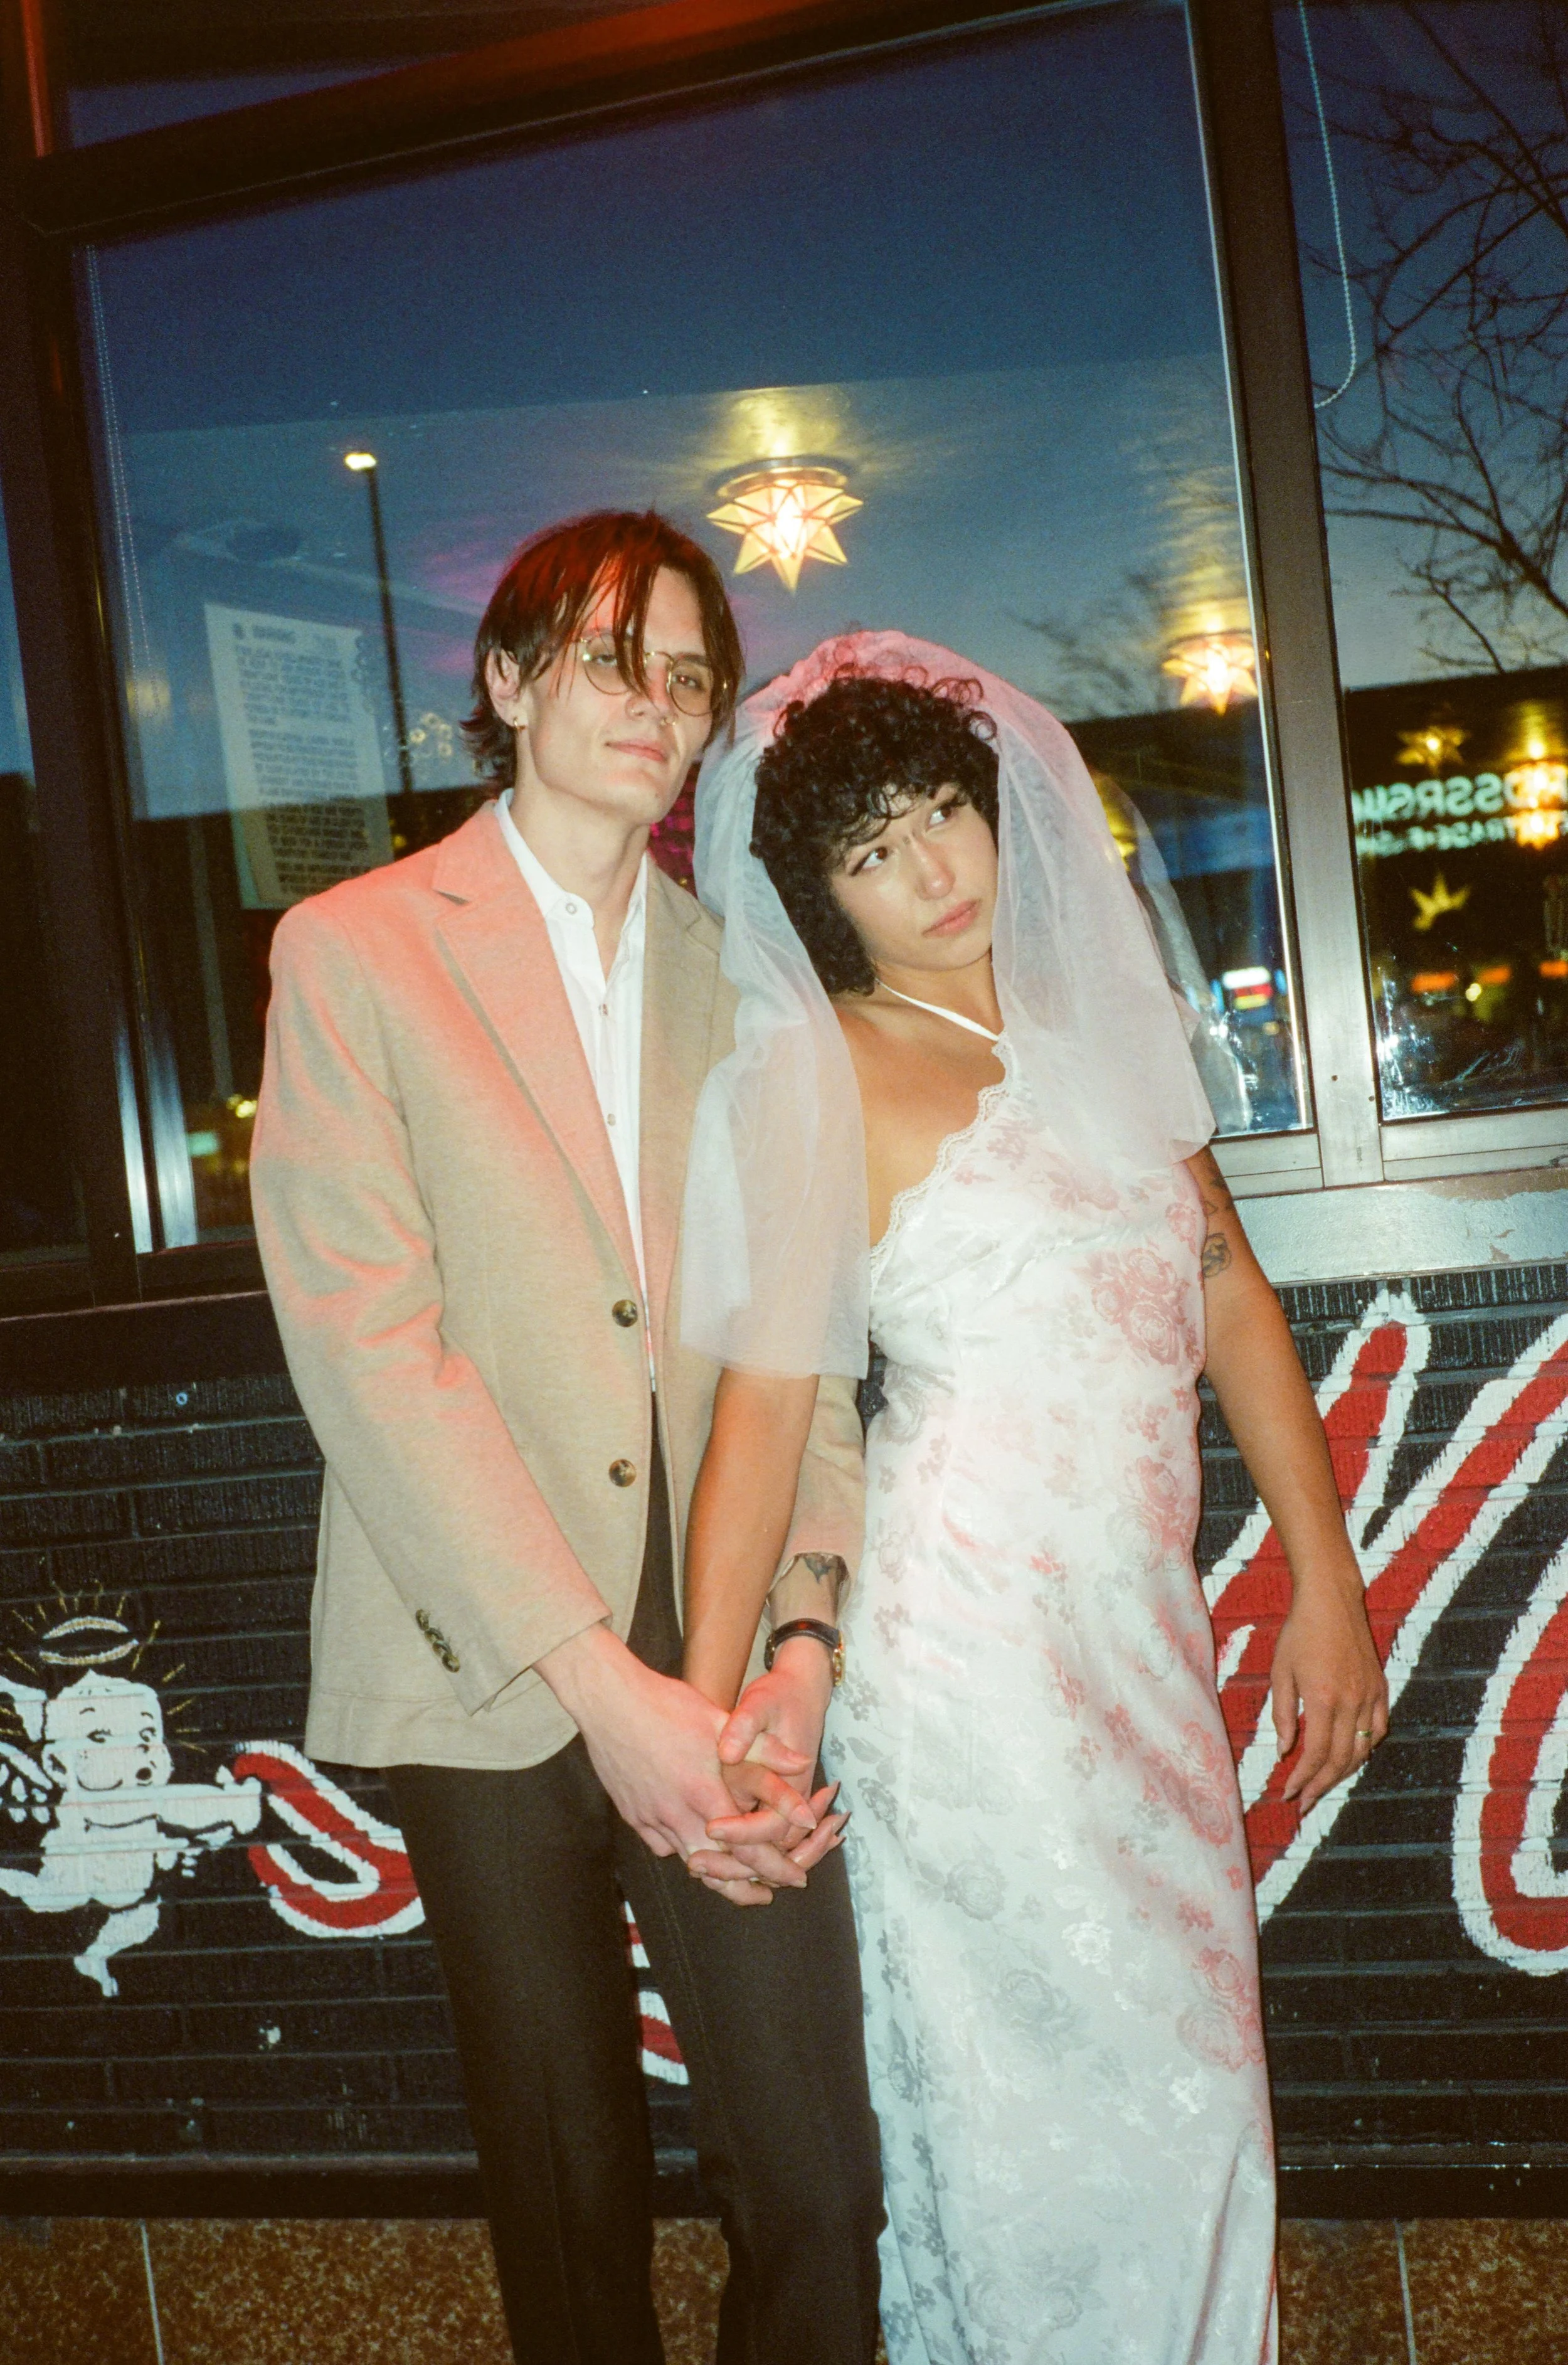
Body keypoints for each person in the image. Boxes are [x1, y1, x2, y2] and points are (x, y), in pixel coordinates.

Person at [676, 632, 1389, 2365]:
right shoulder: (815, 1070)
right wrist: (704, 1722)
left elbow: (1224, 1294)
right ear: (812, 891)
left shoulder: (1099, 1032)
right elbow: (769, 1412)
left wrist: (1325, 1581)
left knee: (1193, 2080)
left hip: (1131, 1639)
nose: (928, 873)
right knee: (1018, 2134)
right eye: (867, 850)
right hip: (965, 1660)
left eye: (941, 814)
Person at [249, 514, 884, 2365]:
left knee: (819, 2188)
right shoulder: (358, 950)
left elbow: (808, 1359)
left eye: (689, 676)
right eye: (616, 661)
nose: (659, 706)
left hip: (720, 1627)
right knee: (567, 2199)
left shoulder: (749, 982)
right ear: (510, 684)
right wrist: (603, 1689)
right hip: (486, 1650)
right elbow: (369, 1342)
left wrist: (795, 1653)